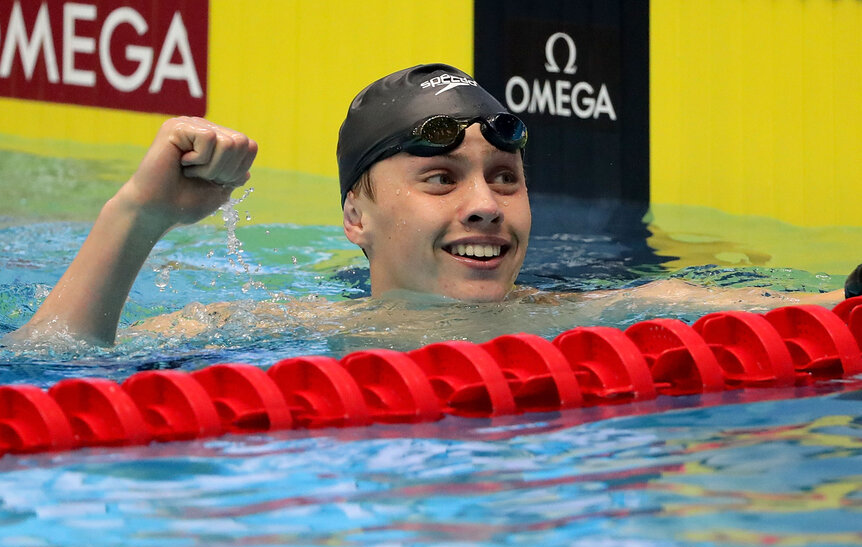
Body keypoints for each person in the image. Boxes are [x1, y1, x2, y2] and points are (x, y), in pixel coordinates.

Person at [5, 64, 850, 347]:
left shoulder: (600, 313)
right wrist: (136, 219)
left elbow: (821, 309)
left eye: (505, 178)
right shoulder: (277, 329)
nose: (486, 204)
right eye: (441, 179)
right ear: (355, 217)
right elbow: (54, 365)